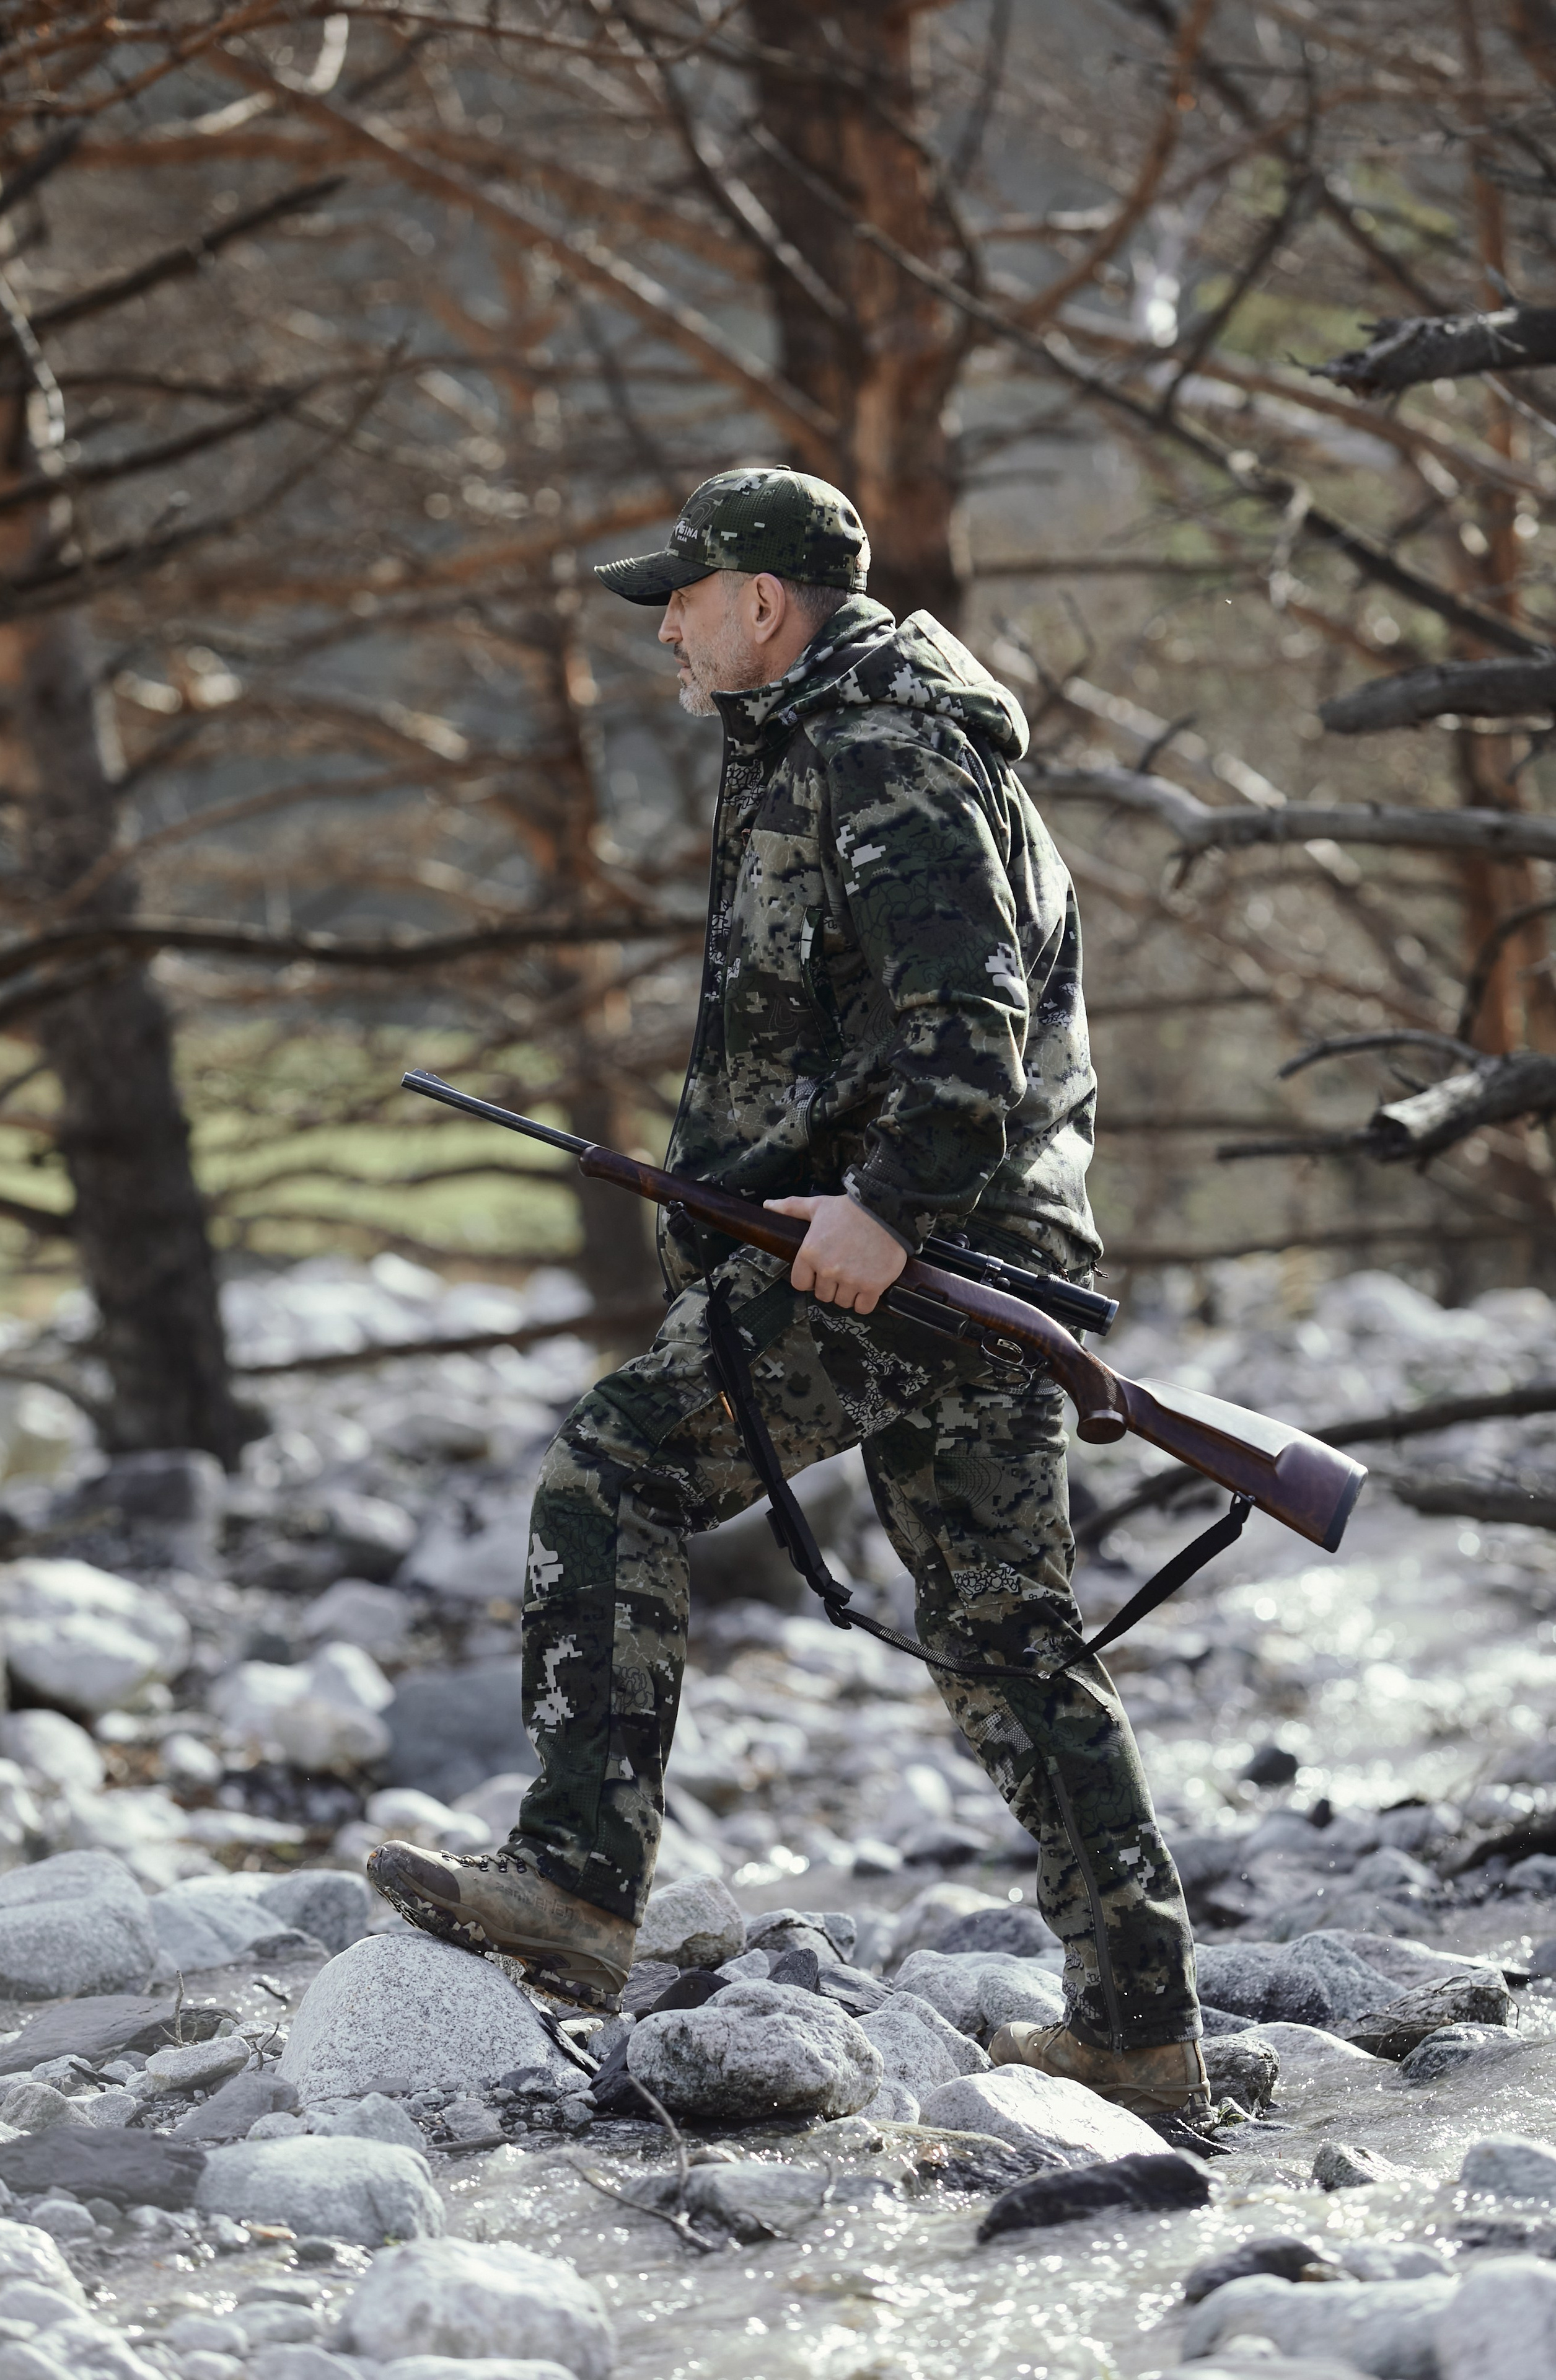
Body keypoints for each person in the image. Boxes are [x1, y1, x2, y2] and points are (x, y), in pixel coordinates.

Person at [371, 466, 1207, 2115]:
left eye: (683, 597)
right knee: (1002, 1633)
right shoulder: (841, 742)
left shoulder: (877, 753)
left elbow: (967, 1023)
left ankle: (576, 1885)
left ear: (765, 604)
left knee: (612, 1467)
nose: (665, 627)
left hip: (914, 1258)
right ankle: (1142, 2031)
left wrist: (889, 1213)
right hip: (950, 1253)